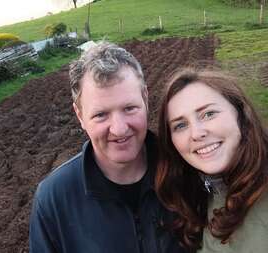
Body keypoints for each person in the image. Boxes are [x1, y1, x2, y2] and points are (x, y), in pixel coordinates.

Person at [29, 42, 185, 253]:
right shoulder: (54, 200)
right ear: (80, 115)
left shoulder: (184, 171)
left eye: (129, 108)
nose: (120, 130)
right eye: (101, 115)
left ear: (146, 99)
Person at [155, 67, 268, 253]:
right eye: (181, 125)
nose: (197, 133)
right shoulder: (197, 196)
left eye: (208, 114)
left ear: (240, 113)